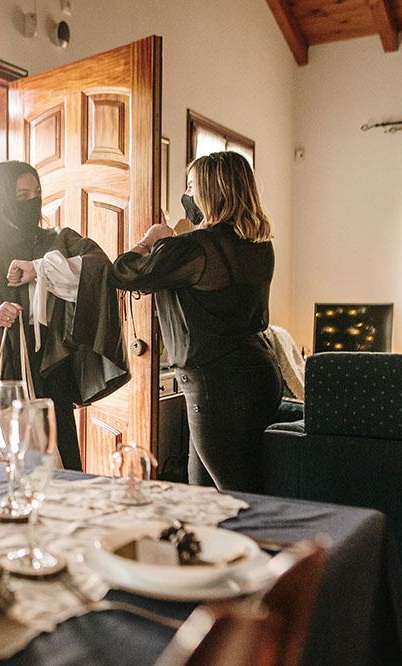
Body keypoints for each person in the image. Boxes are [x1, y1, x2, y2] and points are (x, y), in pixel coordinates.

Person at [109, 151, 281, 492]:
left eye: (190, 186)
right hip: (259, 373)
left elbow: (123, 273)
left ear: (210, 191)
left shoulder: (191, 248)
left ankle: (262, 546)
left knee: (235, 496)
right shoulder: (260, 246)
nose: (186, 195)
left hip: (216, 385)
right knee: (202, 493)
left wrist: (150, 241)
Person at [0, 161, 129, 472]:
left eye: (36, 193)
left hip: (49, 374)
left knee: (58, 472)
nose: (31, 201)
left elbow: (100, 268)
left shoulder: (57, 240)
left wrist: (43, 267)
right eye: (21, 195)